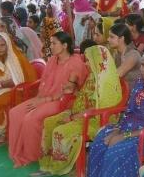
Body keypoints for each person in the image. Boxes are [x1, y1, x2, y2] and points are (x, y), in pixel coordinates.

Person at [31, 45, 122, 177]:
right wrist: (74, 92)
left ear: (98, 62)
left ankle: (57, 166)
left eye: (89, 61)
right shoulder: (93, 77)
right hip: (81, 114)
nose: (86, 64)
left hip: (96, 122)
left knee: (60, 131)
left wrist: (74, 117)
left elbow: (98, 110)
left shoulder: (106, 83)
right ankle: (46, 163)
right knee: (49, 122)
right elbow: (83, 98)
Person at [8, 32, 88, 167]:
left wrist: (44, 101)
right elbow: (44, 82)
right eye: (50, 43)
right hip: (44, 97)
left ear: (64, 45)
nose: (50, 46)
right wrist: (39, 98)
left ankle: (30, 155)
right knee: (15, 113)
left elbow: (68, 91)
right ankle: (17, 151)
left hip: (63, 101)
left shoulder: (75, 63)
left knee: (31, 118)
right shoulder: (52, 60)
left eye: (53, 43)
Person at [109, 23, 141, 88]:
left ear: (121, 38)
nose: (108, 39)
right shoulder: (116, 53)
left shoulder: (133, 54)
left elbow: (118, 74)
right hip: (121, 91)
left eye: (111, 37)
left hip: (134, 94)